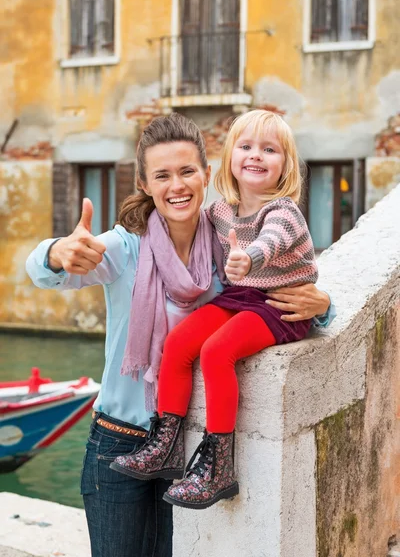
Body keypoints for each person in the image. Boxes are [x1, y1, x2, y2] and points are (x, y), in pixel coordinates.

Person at [26, 113, 334, 555]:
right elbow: (44, 274)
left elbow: (276, 289)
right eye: (163, 175)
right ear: (146, 183)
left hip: (186, 446)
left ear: (207, 175)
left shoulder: (226, 241)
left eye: (188, 171)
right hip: (119, 441)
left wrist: (323, 306)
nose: (177, 185)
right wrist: (55, 253)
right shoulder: (125, 247)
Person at [110, 110, 322, 511]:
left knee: (216, 351)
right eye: (245, 147)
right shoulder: (222, 212)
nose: (255, 156)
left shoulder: (283, 211)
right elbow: (183, 219)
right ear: (229, 162)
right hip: (242, 297)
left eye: (269, 149)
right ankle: (166, 444)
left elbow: (272, 243)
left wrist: (250, 257)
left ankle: (219, 467)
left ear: (285, 164)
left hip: (278, 304)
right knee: (180, 342)